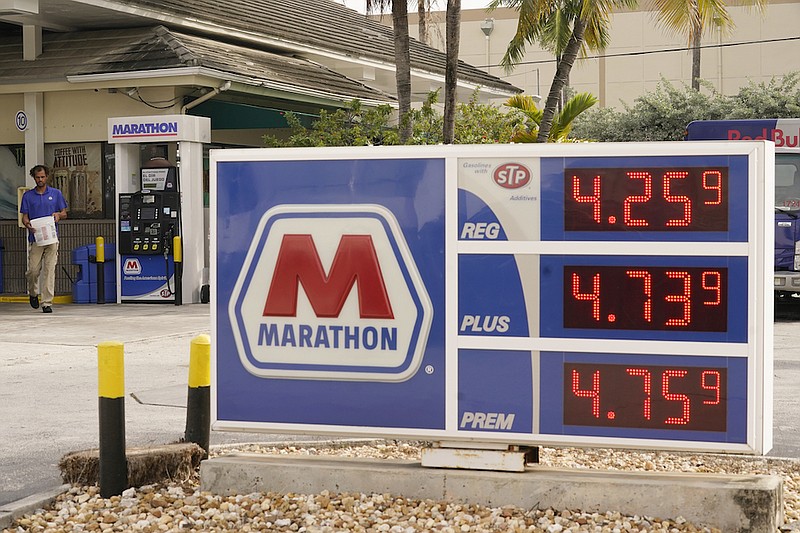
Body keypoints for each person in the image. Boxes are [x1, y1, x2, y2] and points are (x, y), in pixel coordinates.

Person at [20, 165, 68, 313]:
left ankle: (47, 302)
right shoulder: (28, 196)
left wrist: (58, 215)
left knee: (49, 269)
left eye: (42, 177)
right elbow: (25, 216)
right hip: (36, 238)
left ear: (47, 177)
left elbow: (64, 212)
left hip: (52, 238)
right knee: (33, 270)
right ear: (34, 178)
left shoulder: (56, 193)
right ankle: (33, 293)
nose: (40, 180)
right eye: (37, 177)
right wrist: (27, 224)